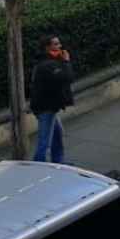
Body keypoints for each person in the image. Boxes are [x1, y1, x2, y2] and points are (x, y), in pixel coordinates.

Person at [28, 34, 73, 164]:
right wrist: (66, 61)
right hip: (45, 107)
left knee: (57, 135)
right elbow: (67, 77)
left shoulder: (52, 61)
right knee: (45, 141)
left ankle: (58, 162)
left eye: (59, 43)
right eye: (56, 44)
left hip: (50, 106)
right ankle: (39, 165)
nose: (60, 46)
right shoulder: (47, 65)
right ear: (48, 47)